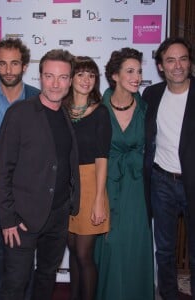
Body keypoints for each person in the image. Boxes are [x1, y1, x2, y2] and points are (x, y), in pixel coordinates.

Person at [0, 49, 80, 300]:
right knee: (15, 284)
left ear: (70, 80)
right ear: (40, 77)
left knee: (46, 277)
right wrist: (8, 218)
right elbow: (2, 169)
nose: (56, 84)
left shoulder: (65, 113)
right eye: (49, 76)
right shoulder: (19, 113)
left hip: (58, 214)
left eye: (63, 77)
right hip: (22, 217)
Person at [94, 48, 154, 300]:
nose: (137, 76)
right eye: (130, 71)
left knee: (135, 244)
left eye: (139, 71)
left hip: (138, 186)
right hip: (106, 184)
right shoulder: (98, 109)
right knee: (110, 245)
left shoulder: (147, 108)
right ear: (114, 75)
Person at [0, 37, 39, 300]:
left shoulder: (38, 99)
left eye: (14, 64)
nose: (8, 70)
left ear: (25, 66)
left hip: (26, 192)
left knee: (24, 253)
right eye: (2, 64)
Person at [143, 37, 195, 300]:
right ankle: (168, 294)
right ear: (161, 66)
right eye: (170, 60)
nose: (177, 65)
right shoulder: (151, 95)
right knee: (163, 249)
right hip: (161, 181)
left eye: (183, 59)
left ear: (190, 63)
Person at [64, 56, 111, 300]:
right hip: (66, 184)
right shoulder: (61, 109)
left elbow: (103, 157)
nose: (86, 80)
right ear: (71, 78)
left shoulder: (101, 112)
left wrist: (99, 200)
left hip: (91, 182)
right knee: (72, 250)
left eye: (91, 75)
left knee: (83, 253)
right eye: (81, 74)